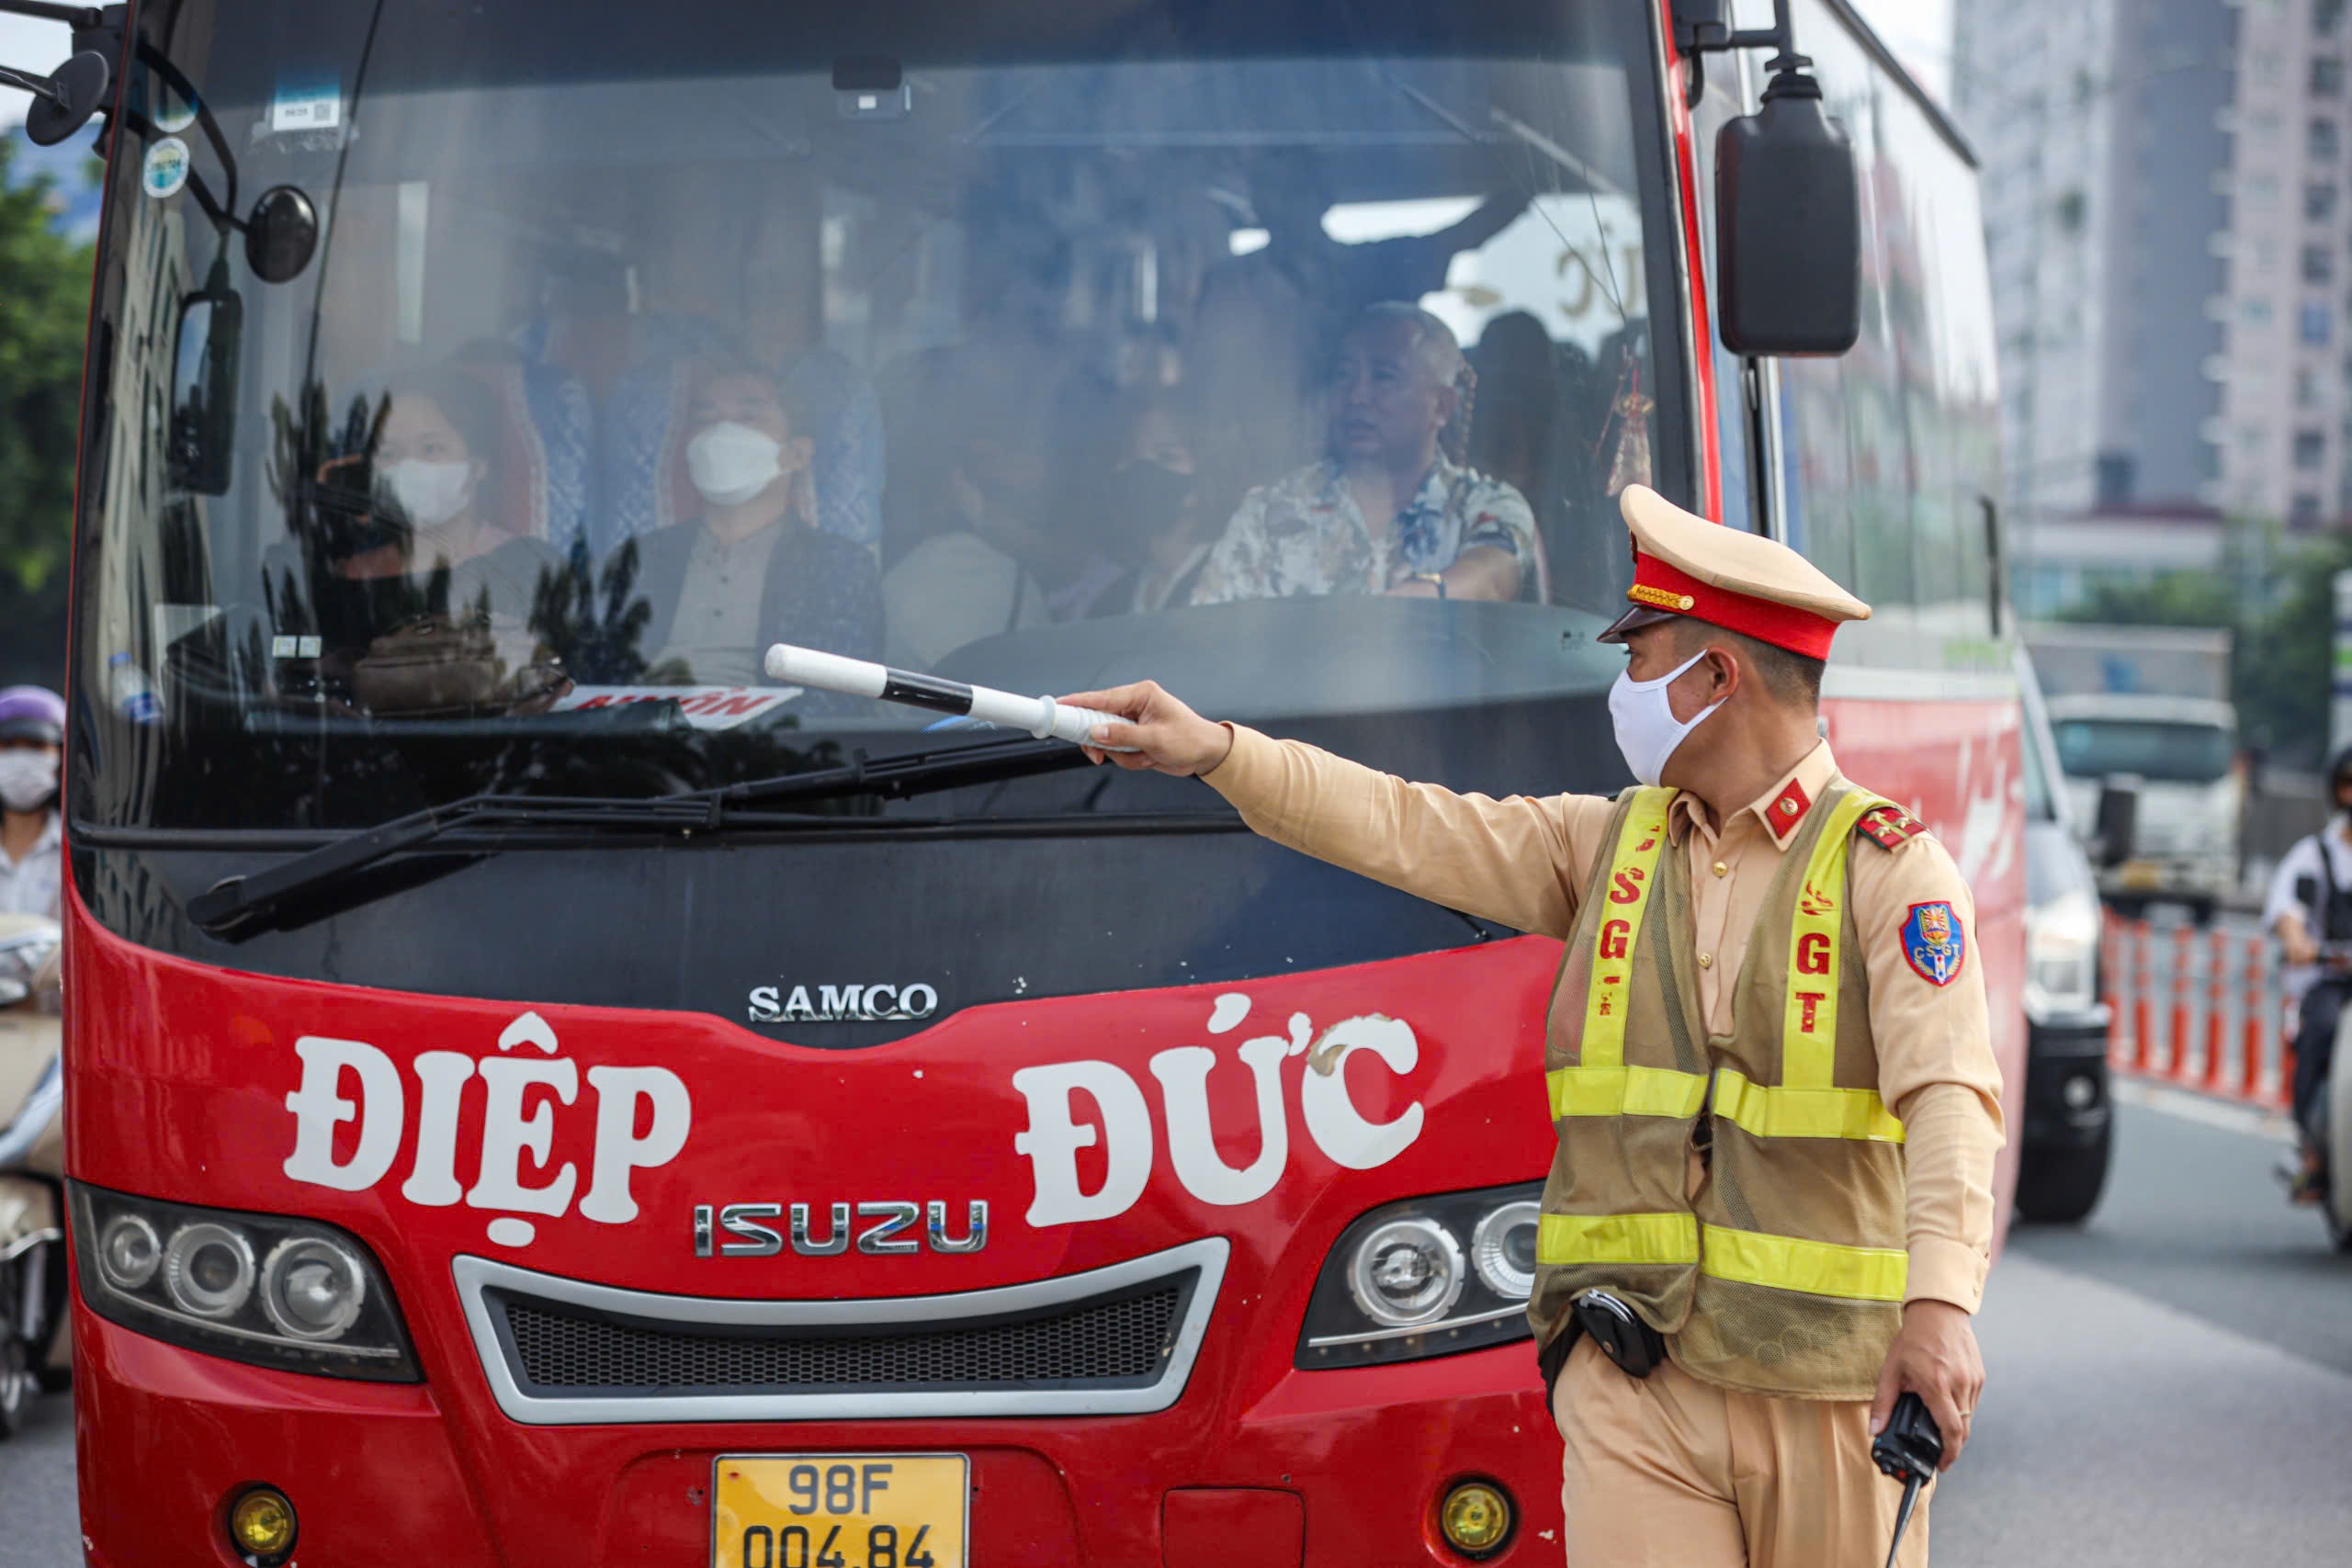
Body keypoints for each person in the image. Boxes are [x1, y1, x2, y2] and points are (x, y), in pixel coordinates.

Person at [1068, 484, 2002, 1567]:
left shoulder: (1886, 870)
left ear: (1717, 677)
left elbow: (1949, 1099)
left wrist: (1939, 1307)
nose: (1625, 688)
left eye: (1641, 661)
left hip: (1829, 1390)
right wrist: (1220, 751)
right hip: (1636, 1379)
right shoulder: (1608, 845)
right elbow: (1400, 824)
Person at [1189, 303, 1543, 604]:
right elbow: (1211, 635)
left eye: (1383, 377)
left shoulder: (1484, 506)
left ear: (1441, 406)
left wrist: (1413, 602)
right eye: (1344, 375)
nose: (1357, 395)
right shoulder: (1272, 513)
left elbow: (1492, 576)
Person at [629, 359, 880, 690]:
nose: (721, 432)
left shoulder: (840, 567)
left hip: (766, 736)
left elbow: (836, 701)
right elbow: (597, 674)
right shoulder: (642, 558)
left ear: (797, 454)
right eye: (706, 418)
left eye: (749, 417)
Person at [2262, 746, 2352, 1202]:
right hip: (2331, 980)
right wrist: (2297, 940)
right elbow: (2287, 910)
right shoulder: (2314, 854)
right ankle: (2310, 1147)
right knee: (2320, 1029)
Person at [0, 687, 63, 919]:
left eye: (36, 746)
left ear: (60, 758)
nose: (21, 759)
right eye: (8, 746)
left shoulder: (80, 853)